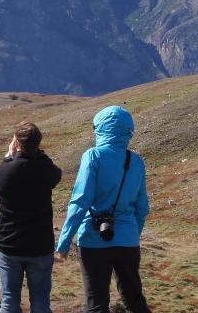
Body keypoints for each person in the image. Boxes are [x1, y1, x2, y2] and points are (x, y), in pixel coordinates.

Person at [56, 105, 151, 313]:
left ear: (101, 128)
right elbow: (142, 208)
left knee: (97, 304)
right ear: (128, 130)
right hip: (128, 242)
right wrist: (131, 235)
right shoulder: (136, 161)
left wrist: (63, 244)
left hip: (93, 241)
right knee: (135, 301)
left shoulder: (93, 156)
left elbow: (80, 202)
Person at [0, 121, 62, 313]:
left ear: (16, 143)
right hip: (40, 246)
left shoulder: (2, 171)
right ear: (38, 144)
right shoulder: (46, 170)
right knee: (40, 301)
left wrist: (8, 157)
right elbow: (56, 173)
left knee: (9, 300)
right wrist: (39, 154)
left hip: (9, 244)